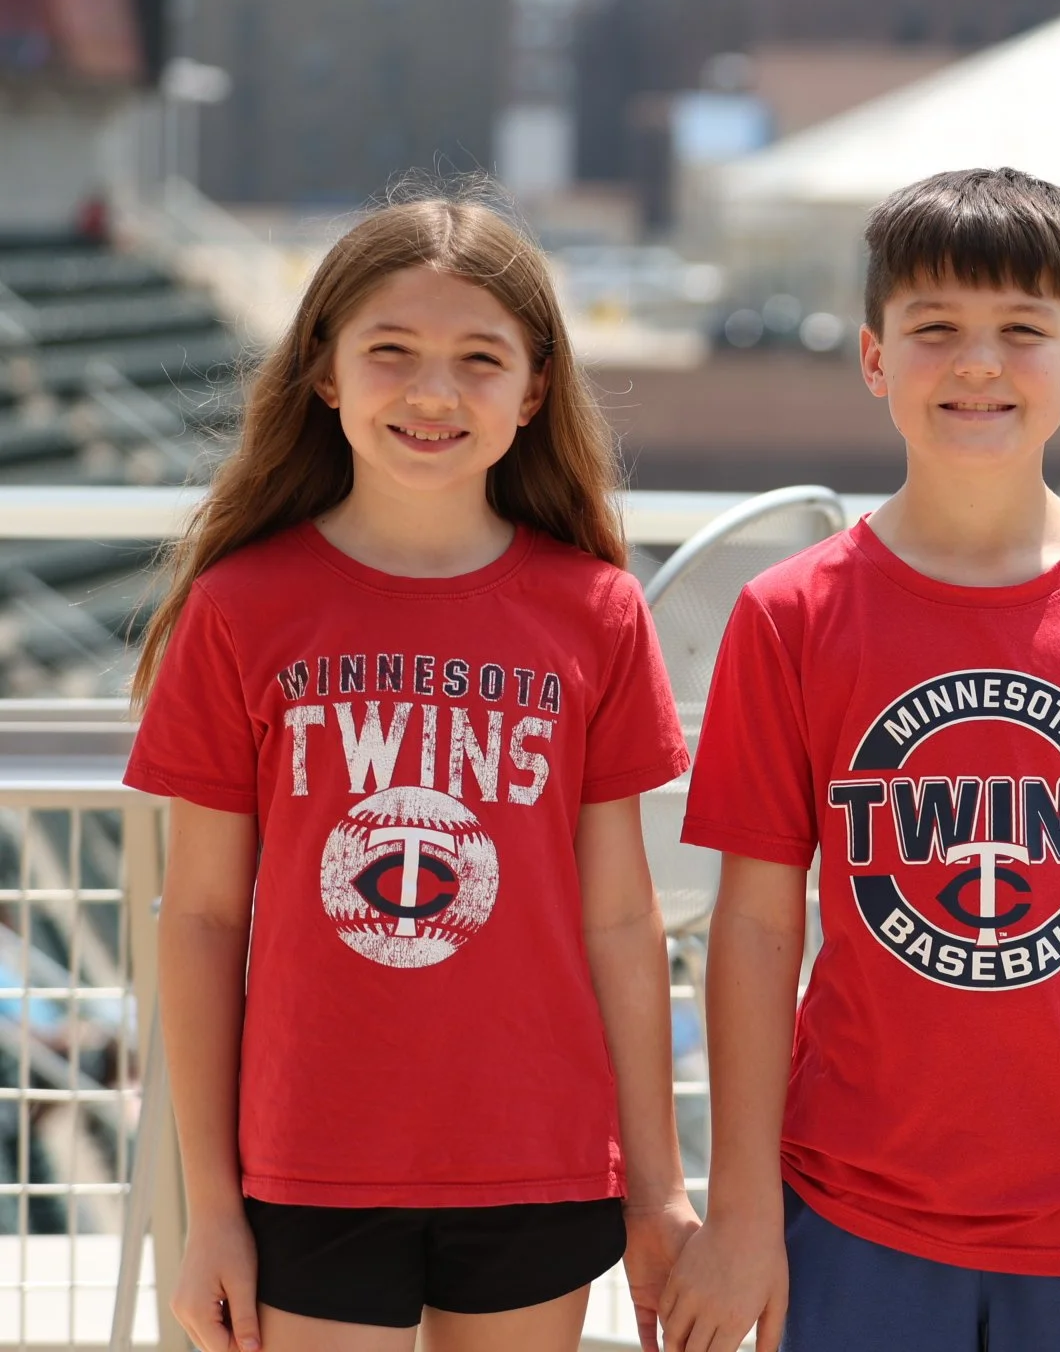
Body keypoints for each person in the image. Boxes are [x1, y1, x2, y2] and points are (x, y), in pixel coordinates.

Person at [658, 167, 1060, 1352]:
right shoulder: (790, 614)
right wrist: (741, 1208)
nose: (978, 363)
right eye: (934, 329)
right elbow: (751, 924)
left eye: (1021, 332)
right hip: (853, 1211)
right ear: (874, 357)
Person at [128, 191, 697, 1352]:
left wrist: (657, 1188)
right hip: (308, 1158)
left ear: (534, 389)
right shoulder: (241, 610)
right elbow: (196, 918)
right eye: (392, 351)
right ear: (326, 372)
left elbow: (623, 923)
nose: (434, 392)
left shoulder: (595, 613)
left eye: (480, 359)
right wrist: (210, 1208)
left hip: (535, 1152)